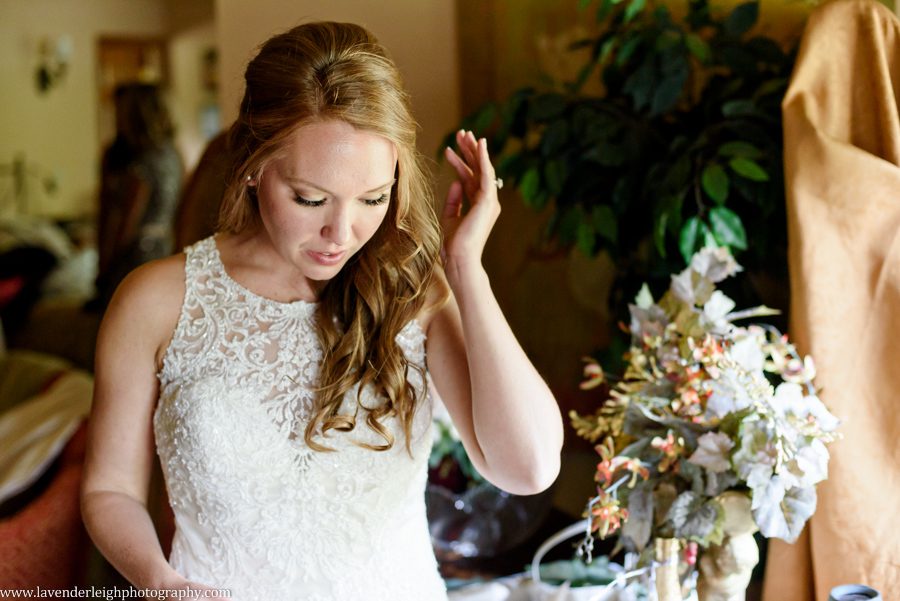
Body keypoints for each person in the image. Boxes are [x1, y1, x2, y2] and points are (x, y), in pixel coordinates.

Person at [81, 21, 563, 601]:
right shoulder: (155, 301)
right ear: (255, 166)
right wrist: (161, 582)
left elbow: (529, 468)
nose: (342, 232)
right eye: (310, 199)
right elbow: (109, 489)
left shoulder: (413, 292)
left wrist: (466, 268)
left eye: (373, 199)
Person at [92, 83, 182, 310]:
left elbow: (125, 222)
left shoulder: (141, 163)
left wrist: (105, 268)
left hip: (139, 253)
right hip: (167, 248)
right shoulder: (174, 154)